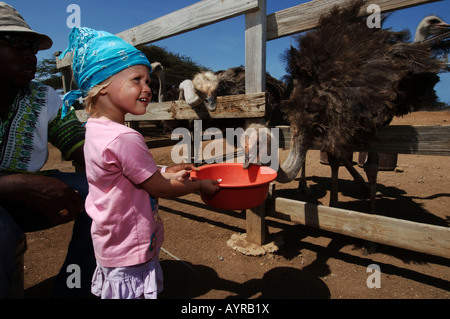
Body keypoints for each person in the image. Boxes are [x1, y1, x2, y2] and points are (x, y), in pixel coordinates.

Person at [59, 26, 220, 299]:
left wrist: (166, 170)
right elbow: (159, 189)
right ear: (103, 85)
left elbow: (124, 171)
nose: (147, 88)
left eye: (148, 80)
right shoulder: (125, 136)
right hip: (131, 247)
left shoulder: (95, 129)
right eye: (137, 79)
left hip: (111, 241)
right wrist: (200, 186)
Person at [0, 2, 95, 298]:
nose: (30, 55)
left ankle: (72, 291)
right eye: (17, 44)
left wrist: (140, 173)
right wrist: (13, 184)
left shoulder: (43, 97)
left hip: (26, 196)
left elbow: (77, 142)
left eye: (32, 46)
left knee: (106, 193)